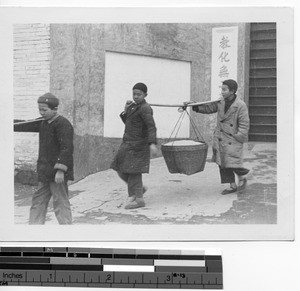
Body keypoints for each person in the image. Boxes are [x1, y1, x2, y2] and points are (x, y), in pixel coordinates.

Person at [14, 93, 74, 224]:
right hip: (45, 172)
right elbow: (25, 125)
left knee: (60, 203)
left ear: (55, 109)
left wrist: (60, 170)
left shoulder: (63, 124)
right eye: (39, 110)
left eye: (44, 110)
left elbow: (67, 149)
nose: (41, 113)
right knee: (38, 202)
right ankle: (34, 231)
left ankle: (68, 232)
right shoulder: (43, 123)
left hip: (57, 173)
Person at [191, 79, 250, 194]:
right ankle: (232, 185)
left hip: (233, 138)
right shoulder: (220, 102)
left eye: (224, 89)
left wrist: (239, 136)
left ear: (232, 91)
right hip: (220, 137)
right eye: (221, 89)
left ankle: (242, 176)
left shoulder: (240, 105)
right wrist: (194, 105)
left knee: (232, 162)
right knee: (222, 163)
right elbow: (209, 108)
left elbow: (244, 123)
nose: (222, 92)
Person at [111, 82, 158, 209]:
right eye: (134, 94)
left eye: (139, 94)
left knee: (134, 173)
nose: (136, 96)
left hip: (138, 146)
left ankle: (139, 199)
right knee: (120, 168)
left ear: (145, 95)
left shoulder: (145, 108)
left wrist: (152, 143)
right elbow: (128, 122)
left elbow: (151, 126)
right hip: (128, 143)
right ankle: (138, 190)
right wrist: (126, 109)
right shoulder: (133, 106)